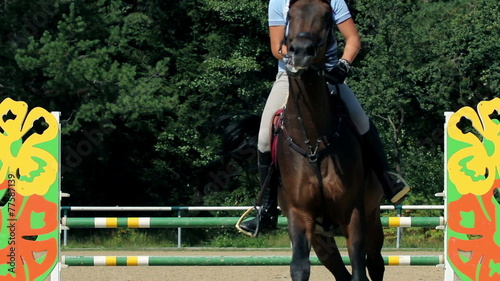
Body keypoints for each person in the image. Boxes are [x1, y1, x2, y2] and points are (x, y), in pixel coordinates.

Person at [238, 0, 410, 237]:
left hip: (327, 74)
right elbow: (277, 47)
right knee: (264, 138)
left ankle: (387, 181)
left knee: (361, 121)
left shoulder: (334, 1)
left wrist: (343, 65)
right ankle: (266, 209)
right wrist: (301, 57)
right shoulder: (278, 2)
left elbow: (353, 40)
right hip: (290, 75)